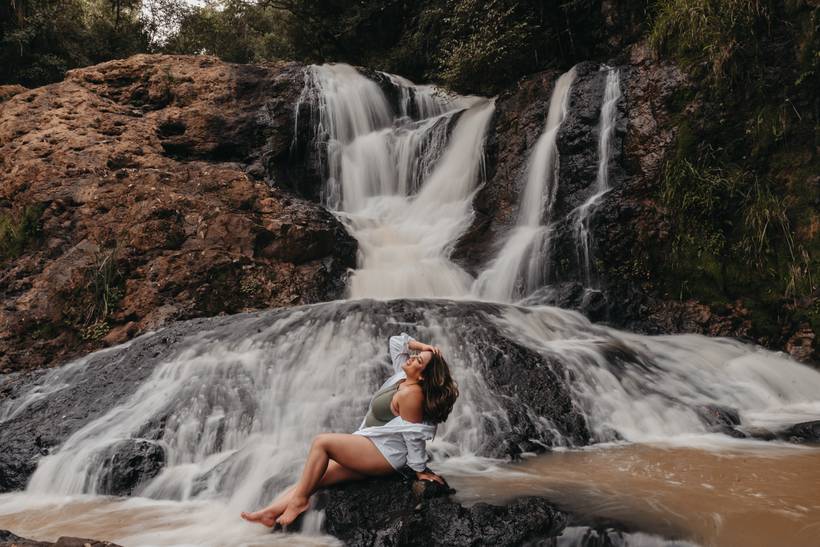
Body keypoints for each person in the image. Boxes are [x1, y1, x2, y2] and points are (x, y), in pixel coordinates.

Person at [240, 332, 459, 529]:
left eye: (418, 360)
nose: (411, 357)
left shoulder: (412, 395)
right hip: (370, 444)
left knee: (322, 443)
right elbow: (396, 342)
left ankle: (299, 502)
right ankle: (270, 513)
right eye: (415, 355)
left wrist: (420, 469)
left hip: (385, 455)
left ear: (422, 376)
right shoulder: (402, 378)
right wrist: (424, 348)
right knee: (317, 476)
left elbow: (414, 435)